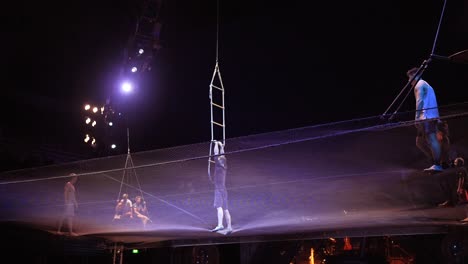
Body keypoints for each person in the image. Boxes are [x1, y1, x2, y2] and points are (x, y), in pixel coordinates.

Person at [407, 67, 443, 172]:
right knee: (420, 141)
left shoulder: (419, 84)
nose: (409, 81)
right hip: (429, 116)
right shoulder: (424, 84)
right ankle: (435, 161)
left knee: (432, 139)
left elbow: (420, 101)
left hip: (427, 117)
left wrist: (417, 118)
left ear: (415, 76)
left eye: (410, 78)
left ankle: (437, 164)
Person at [210, 141, 232, 234]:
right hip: (224, 190)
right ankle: (229, 227)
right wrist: (221, 146)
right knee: (226, 209)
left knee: (219, 207)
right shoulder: (224, 166)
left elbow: (216, 153)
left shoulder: (218, 165)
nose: (217, 158)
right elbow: (222, 155)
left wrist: (215, 144)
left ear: (219, 161)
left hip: (219, 190)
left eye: (218, 158)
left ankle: (220, 225)